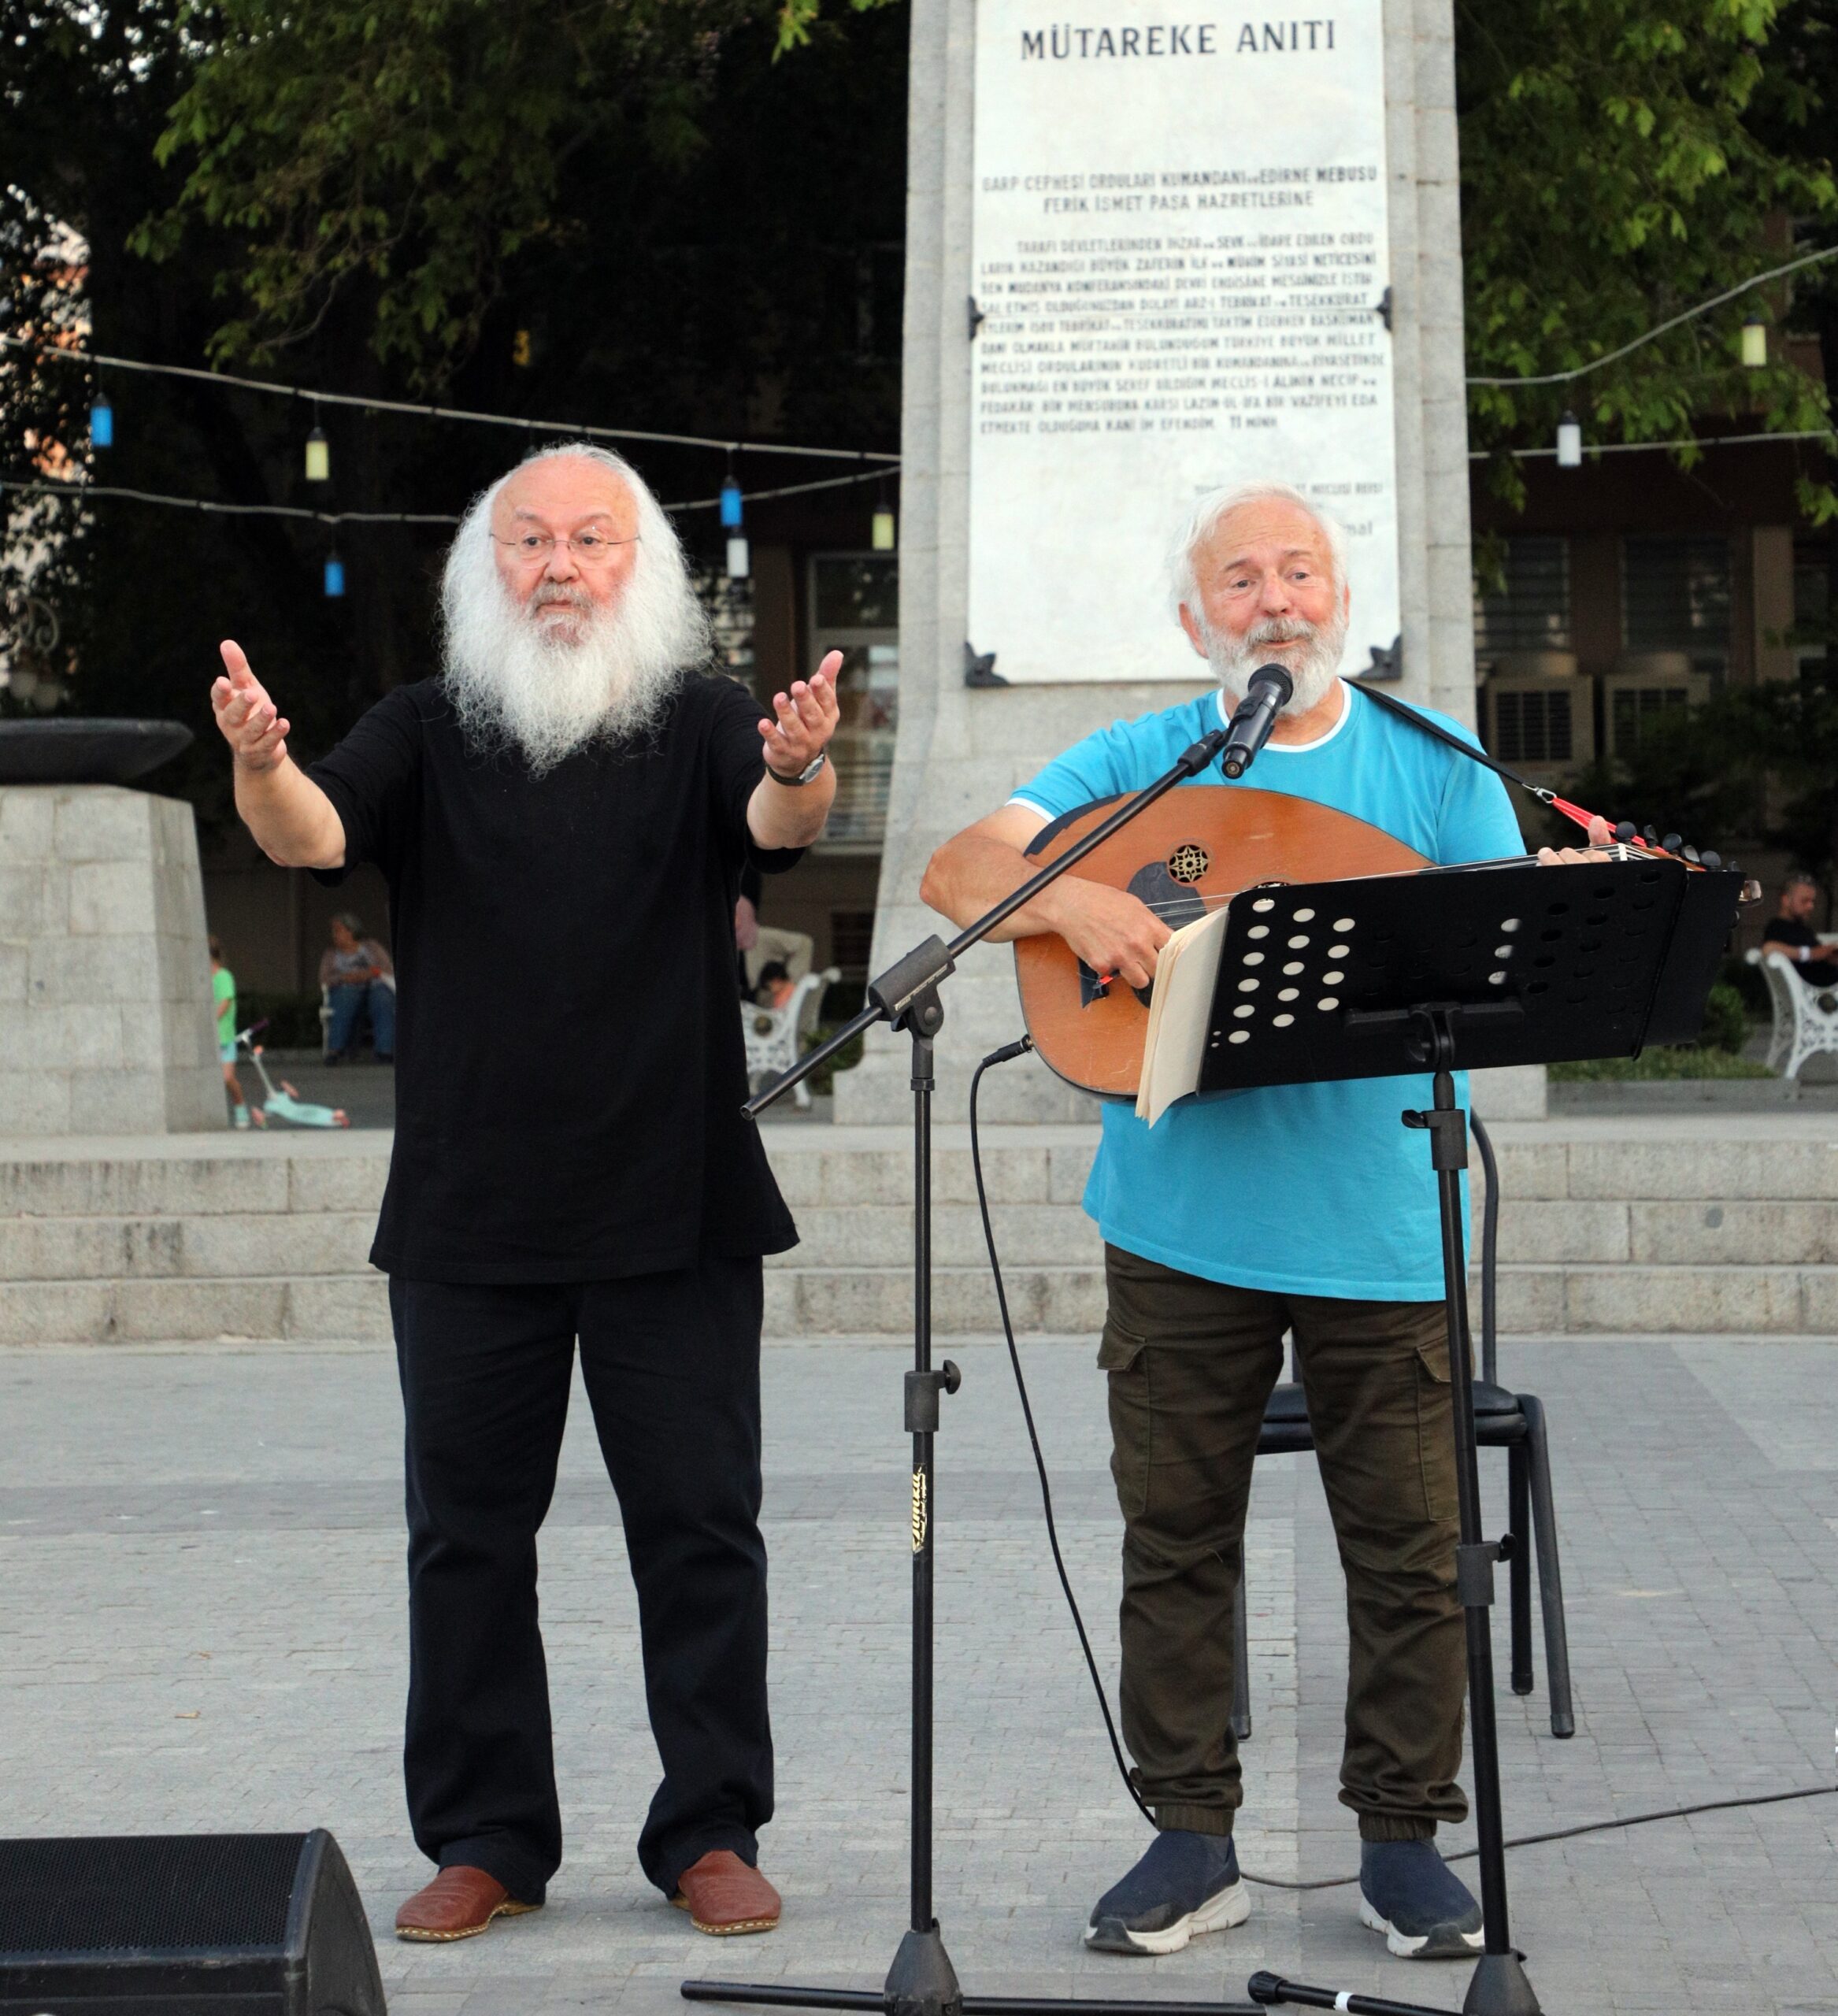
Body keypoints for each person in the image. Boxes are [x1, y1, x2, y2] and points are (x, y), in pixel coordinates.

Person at [921, 480, 1608, 1966]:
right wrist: (1072, 908)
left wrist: (1556, 919)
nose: (1273, 599)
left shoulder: (1432, 769)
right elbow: (959, 868)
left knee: (1410, 1552)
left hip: (1374, 1220)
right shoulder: (1141, 764)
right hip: (1177, 1227)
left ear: (1340, 600)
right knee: (1171, 1538)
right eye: (1238, 579)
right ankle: (1188, 1838)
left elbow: (1502, 969)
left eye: (1298, 571)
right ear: (1192, 619)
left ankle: (1398, 1841)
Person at [209, 441, 839, 1945]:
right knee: (465, 1537)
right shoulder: (426, 726)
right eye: (529, 541)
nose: (558, 564)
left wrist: (802, 763)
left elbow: (775, 828)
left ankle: (709, 1826)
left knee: (697, 1525)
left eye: (591, 540)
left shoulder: (697, 717)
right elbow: (318, 837)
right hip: (471, 1211)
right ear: (483, 572)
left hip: (673, 1197)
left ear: (645, 571)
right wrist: (256, 760)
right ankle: (486, 1833)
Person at [319, 914, 397, 1061]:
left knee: (383, 998)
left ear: (351, 931)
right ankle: (335, 1050)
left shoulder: (371, 947)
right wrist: (343, 978)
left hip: (374, 987)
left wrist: (368, 974)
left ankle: (384, 1050)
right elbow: (324, 978)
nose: (334, 935)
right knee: (347, 995)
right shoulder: (331, 954)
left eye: (338, 930)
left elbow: (388, 969)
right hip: (347, 990)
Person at [1760, 873, 1837, 990]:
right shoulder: (1777, 927)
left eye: (1812, 901)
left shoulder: (1802, 928)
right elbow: (1769, 949)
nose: (1811, 906)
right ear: (1786, 900)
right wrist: (1811, 954)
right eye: (1804, 901)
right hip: (1815, 992)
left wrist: (1829, 954)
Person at [209, 935, 250, 1128]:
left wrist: (211, 1019)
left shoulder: (224, 976)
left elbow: (225, 1001)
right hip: (209, 1039)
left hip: (224, 1037)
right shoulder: (203, 978)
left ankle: (240, 1108)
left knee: (227, 1078)